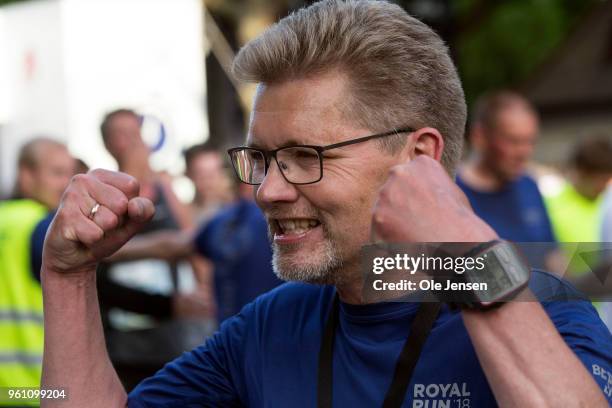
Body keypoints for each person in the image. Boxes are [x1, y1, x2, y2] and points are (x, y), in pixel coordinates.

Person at [40, 1, 611, 407]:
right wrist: (67, 279)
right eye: (262, 158)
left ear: (419, 157)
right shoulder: (270, 327)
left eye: (305, 155)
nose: (268, 190)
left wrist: (463, 251)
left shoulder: (551, 314)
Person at [0, 138, 74, 398]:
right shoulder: (42, 226)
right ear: (26, 174)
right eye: (57, 173)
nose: (66, 184)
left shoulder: (5, 219)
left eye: (70, 174)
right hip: (37, 392)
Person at [184, 143, 235, 224]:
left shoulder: (238, 207)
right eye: (201, 175)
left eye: (214, 173)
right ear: (188, 175)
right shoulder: (183, 215)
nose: (209, 182)